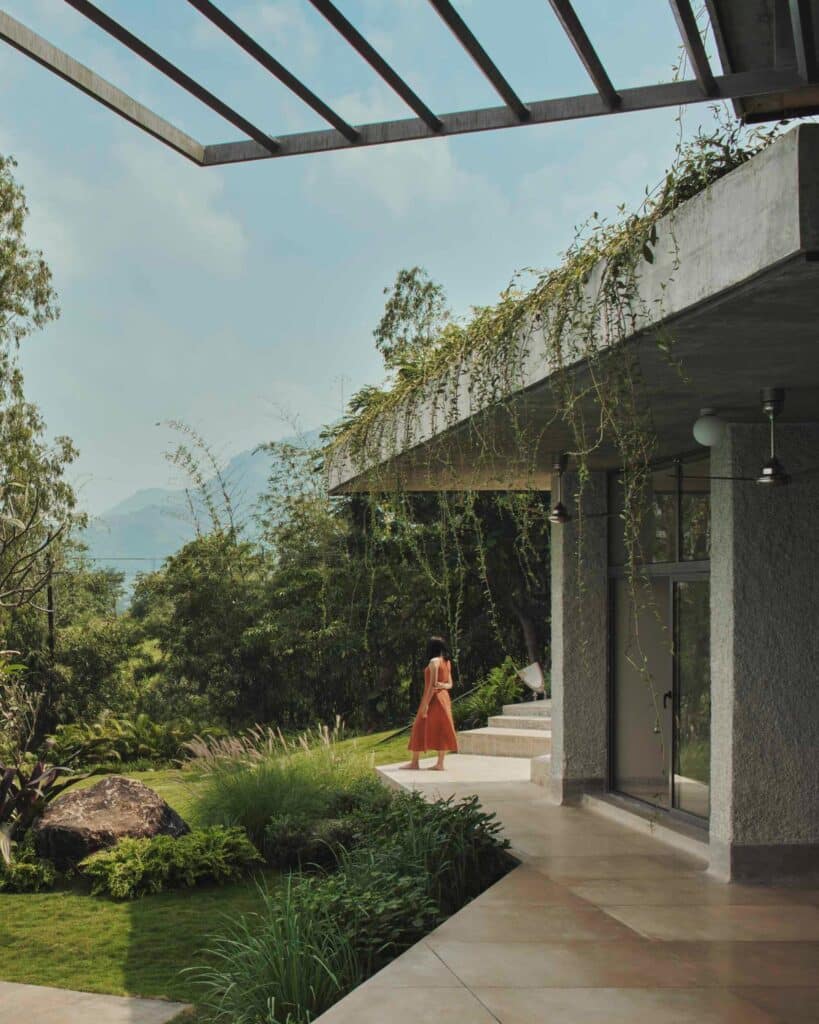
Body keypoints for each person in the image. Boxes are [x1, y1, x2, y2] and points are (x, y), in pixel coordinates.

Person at [403, 636, 458, 771]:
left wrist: (426, 704)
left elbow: (432, 686)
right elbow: (450, 684)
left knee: (418, 727)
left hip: (432, 698)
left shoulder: (434, 661)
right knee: (442, 728)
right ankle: (440, 763)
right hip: (444, 698)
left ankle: (415, 763)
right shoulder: (447, 662)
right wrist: (443, 685)